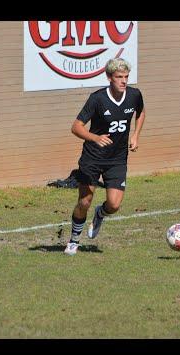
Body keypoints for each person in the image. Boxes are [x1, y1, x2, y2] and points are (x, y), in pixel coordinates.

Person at [64, 58, 146, 255]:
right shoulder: (97, 99)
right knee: (84, 201)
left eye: (126, 77)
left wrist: (135, 135)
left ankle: (100, 213)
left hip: (117, 158)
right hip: (92, 157)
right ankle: (74, 241)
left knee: (114, 204)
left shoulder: (134, 95)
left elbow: (141, 112)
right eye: (119, 77)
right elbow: (76, 127)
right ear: (109, 77)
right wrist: (94, 138)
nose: (124, 81)